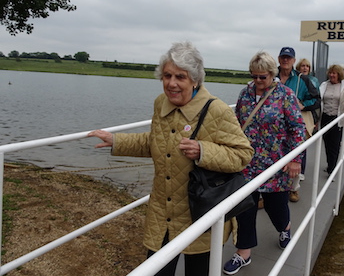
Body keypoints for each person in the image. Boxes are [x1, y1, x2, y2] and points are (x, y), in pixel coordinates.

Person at [88, 41, 254, 276]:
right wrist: (116, 141)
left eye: (180, 77)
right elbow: (155, 142)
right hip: (162, 212)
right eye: (167, 75)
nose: (172, 83)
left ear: (195, 80)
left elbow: (243, 154)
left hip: (200, 212)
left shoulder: (217, 110)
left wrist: (203, 151)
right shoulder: (160, 104)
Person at [223, 51, 306, 275]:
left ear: (272, 74)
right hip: (247, 162)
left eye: (263, 77)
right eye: (255, 77)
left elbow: (298, 129)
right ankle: (244, 253)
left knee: (275, 206)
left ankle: (285, 228)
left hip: (275, 163)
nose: (258, 82)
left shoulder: (285, 95)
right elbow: (238, 123)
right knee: (245, 208)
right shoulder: (246, 94)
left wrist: (295, 159)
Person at [277, 47, 321, 202]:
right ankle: (267, 191)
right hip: (274, 123)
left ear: (294, 61)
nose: (285, 60)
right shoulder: (271, 75)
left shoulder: (303, 80)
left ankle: (293, 189)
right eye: (283, 57)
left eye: (289, 58)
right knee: (271, 155)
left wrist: (303, 105)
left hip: (293, 122)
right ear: (279, 59)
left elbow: (316, 99)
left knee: (294, 153)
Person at [319, 65, 344, 175]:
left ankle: (332, 169)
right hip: (325, 116)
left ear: (339, 74)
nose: (331, 75)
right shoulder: (324, 85)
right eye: (330, 73)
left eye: (334, 73)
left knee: (334, 144)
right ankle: (330, 164)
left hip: (338, 118)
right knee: (326, 142)